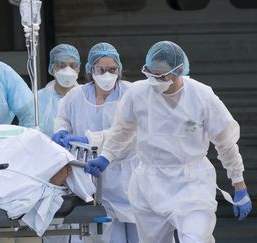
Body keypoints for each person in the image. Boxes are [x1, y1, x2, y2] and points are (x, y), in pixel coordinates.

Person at [85, 41, 252, 243]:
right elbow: (122, 131)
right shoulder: (138, 93)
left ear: (179, 71)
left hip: (191, 184)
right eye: (151, 74)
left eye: (161, 76)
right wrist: (106, 157)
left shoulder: (201, 97)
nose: (155, 80)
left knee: (195, 238)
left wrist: (239, 184)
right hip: (150, 184)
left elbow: (225, 142)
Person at [52, 43, 139, 243]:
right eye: (101, 69)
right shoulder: (76, 95)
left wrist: (91, 140)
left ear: (119, 70)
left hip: (129, 177)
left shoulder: (132, 93)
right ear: (91, 69)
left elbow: (130, 132)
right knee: (106, 237)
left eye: (112, 70)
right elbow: (63, 117)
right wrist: (61, 131)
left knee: (141, 236)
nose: (107, 74)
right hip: (94, 180)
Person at [38, 44, 80, 137]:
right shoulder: (38, 99)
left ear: (78, 68)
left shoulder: (87, 96)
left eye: (73, 66)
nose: (68, 70)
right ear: (52, 68)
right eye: (61, 66)